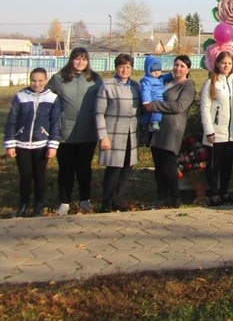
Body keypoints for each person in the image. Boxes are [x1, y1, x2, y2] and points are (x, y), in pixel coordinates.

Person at [48, 47, 102, 216]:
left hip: (88, 131)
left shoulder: (94, 79)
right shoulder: (59, 78)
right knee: (66, 169)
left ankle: (85, 200)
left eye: (84, 59)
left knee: (84, 168)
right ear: (71, 59)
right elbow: (43, 95)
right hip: (65, 133)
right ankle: (64, 201)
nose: (80, 62)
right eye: (77, 59)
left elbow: (104, 100)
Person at [3, 67, 61, 217]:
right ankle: (23, 206)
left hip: (41, 144)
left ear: (46, 80)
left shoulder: (52, 98)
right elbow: (12, 120)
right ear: (30, 81)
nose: (37, 84)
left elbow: (55, 123)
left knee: (39, 176)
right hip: (22, 144)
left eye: (40, 80)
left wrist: (53, 145)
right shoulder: (21, 97)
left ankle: (38, 206)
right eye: (34, 80)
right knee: (25, 176)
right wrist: (10, 143)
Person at [147, 55, 197, 208]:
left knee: (169, 165)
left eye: (182, 66)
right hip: (158, 128)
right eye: (176, 65)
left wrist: (155, 106)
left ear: (188, 69)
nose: (178, 68)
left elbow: (179, 106)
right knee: (159, 165)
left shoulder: (188, 85)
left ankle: (175, 198)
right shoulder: (167, 81)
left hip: (172, 129)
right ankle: (162, 196)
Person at [95, 54, 141, 213]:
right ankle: (106, 202)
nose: (125, 70)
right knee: (114, 168)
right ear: (116, 67)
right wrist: (103, 136)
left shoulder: (135, 85)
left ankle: (118, 199)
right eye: (122, 66)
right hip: (113, 132)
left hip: (131, 133)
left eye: (128, 67)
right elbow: (99, 113)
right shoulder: (107, 86)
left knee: (127, 167)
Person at [199, 50, 233, 207]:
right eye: (223, 63)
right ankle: (213, 193)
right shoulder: (211, 83)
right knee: (214, 165)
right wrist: (209, 130)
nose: (226, 66)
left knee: (227, 165)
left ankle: (225, 192)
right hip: (216, 132)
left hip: (232, 133)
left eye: (229, 63)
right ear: (217, 63)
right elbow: (205, 108)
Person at [139, 55, 171, 135]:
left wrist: (171, 75)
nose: (157, 72)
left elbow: (165, 77)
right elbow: (145, 91)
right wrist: (146, 101)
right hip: (153, 100)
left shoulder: (159, 78)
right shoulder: (147, 80)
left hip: (156, 100)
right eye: (154, 71)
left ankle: (143, 124)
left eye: (158, 70)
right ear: (148, 71)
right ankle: (154, 123)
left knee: (147, 114)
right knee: (157, 112)